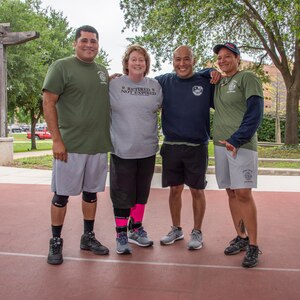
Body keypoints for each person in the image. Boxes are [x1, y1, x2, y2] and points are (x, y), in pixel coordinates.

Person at [43, 25, 113, 265]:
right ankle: (55, 241)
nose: (89, 45)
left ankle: (88, 237)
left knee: (91, 194)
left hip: (97, 145)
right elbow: (48, 102)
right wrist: (56, 140)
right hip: (69, 147)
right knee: (61, 195)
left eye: (93, 41)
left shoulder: (102, 71)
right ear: (75, 43)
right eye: (84, 40)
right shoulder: (61, 67)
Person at [155, 45, 219, 250]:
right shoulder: (163, 81)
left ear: (194, 59)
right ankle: (176, 229)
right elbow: (140, 83)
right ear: (172, 60)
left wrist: (211, 71)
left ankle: (197, 232)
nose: (182, 63)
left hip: (197, 146)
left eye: (186, 59)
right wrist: (121, 76)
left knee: (197, 191)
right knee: (174, 189)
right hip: (172, 146)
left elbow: (221, 93)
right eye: (177, 59)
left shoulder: (205, 81)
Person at [212, 42, 264, 268]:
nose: (222, 60)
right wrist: (211, 72)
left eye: (227, 56)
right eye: (219, 58)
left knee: (243, 193)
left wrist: (236, 139)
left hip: (241, 145)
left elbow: (255, 113)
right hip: (220, 146)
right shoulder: (219, 82)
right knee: (231, 192)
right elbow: (201, 73)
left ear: (237, 58)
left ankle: (253, 245)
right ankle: (240, 238)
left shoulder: (248, 78)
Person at [109, 44, 163, 254]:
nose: (138, 63)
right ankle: (121, 233)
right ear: (126, 63)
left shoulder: (155, 87)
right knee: (122, 194)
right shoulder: (114, 85)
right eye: (134, 59)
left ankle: (136, 228)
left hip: (147, 150)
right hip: (122, 150)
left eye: (142, 59)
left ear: (146, 64)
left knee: (142, 193)